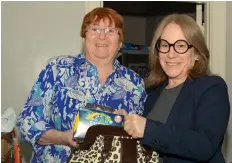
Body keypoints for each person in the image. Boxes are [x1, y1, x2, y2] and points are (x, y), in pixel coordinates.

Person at [16, 7, 146, 163]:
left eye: (111, 30)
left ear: (120, 42)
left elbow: (141, 138)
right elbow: (26, 123)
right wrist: (62, 137)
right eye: (95, 29)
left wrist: (127, 127)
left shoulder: (135, 83)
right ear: (84, 37)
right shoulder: (58, 69)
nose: (102, 36)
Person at [121, 14, 230, 163]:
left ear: (197, 53)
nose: (171, 54)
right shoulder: (153, 92)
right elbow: (145, 143)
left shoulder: (212, 88)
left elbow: (204, 145)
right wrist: (123, 123)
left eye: (180, 46)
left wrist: (148, 129)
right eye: (165, 45)